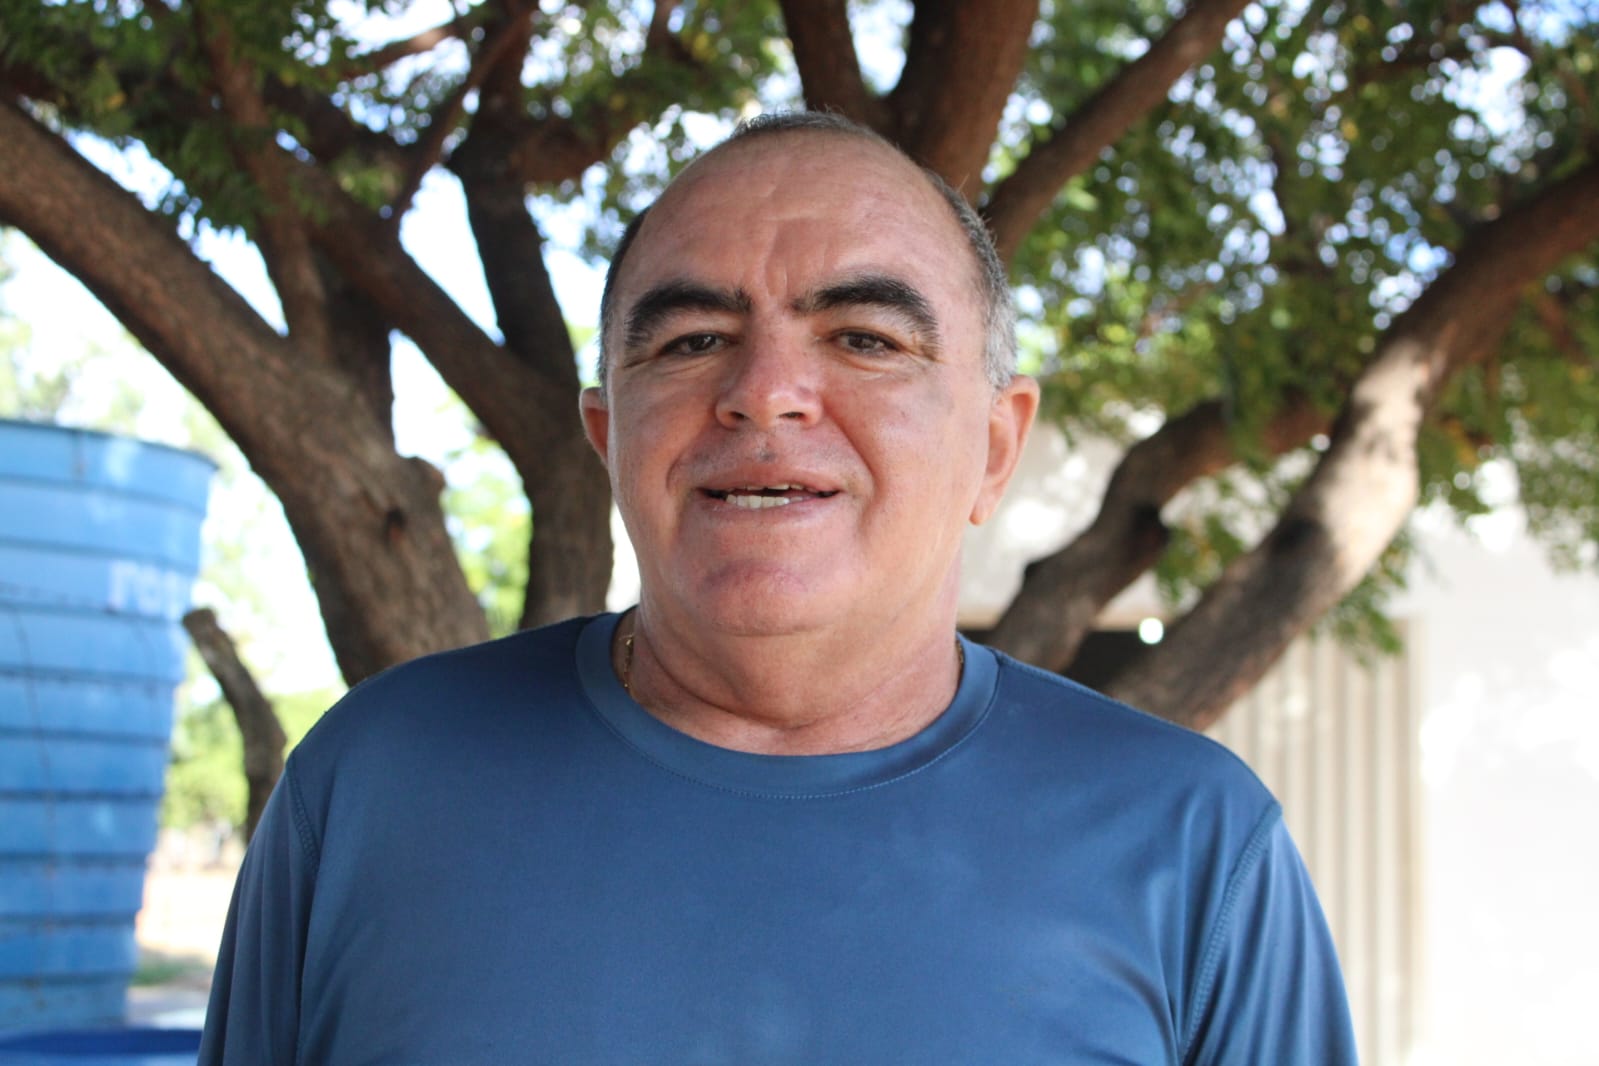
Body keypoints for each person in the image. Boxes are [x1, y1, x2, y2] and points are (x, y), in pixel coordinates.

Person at [198, 112, 1358, 1064]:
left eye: (866, 338)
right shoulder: (370, 784)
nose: (765, 391)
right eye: (692, 340)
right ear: (608, 438)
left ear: (994, 448)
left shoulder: (1198, 847)